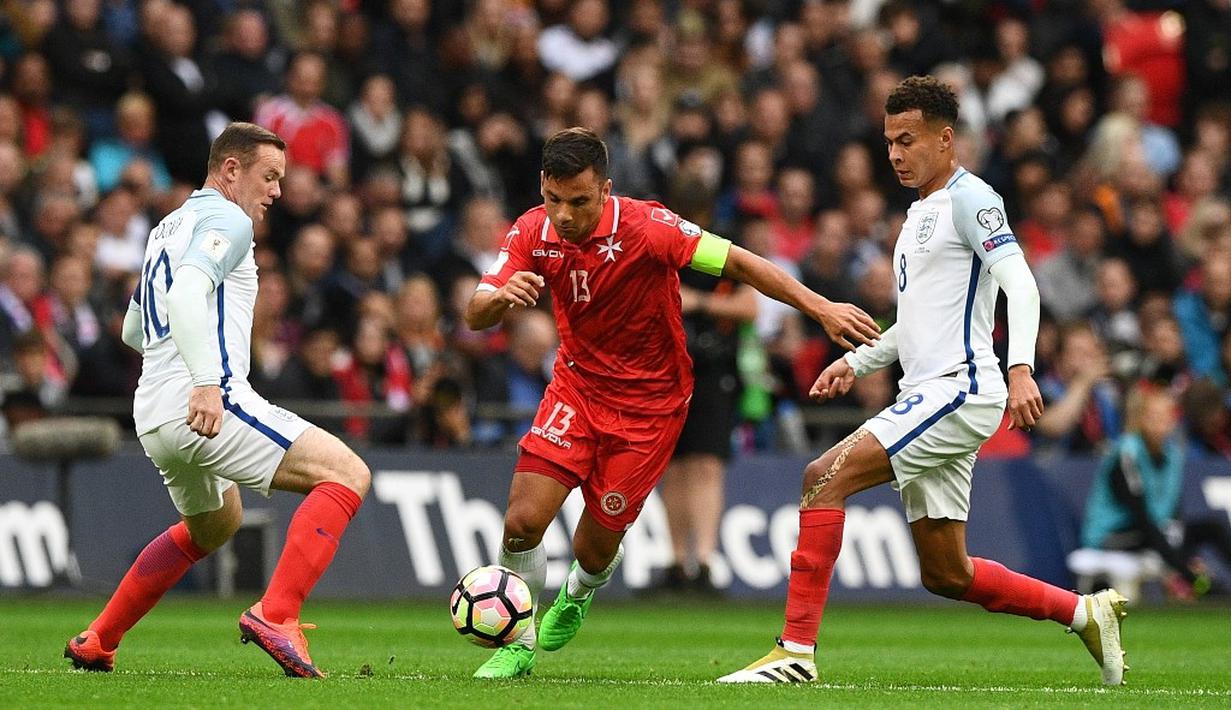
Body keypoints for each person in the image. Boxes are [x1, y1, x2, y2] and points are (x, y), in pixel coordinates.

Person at [718, 76, 1130, 687]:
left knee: (821, 477)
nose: (894, 154)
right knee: (946, 573)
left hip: (960, 388)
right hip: (929, 391)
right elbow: (914, 325)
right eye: (888, 142)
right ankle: (1083, 612)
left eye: (906, 140)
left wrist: (1020, 367)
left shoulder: (973, 200)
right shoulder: (917, 217)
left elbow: (1021, 284)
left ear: (945, 138)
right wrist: (854, 363)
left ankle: (794, 653)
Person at [465, 127, 879, 679]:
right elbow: (475, 310)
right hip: (577, 388)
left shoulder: (650, 226)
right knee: (521, 522)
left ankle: (582, 589)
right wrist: (499, 301)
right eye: (554, 200)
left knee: (594, 546)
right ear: (543, 187)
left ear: (605, 189)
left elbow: (739, 263)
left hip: (651, 406)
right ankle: (518, 641)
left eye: (580, 201)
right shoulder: (531, 232)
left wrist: (820, 307)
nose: (564, 215)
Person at [64, 123, 370, 679]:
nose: (276, 191)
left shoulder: (165, 228)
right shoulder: (227, 219)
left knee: (215, 525)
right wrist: (205, 379)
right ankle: (277, 615)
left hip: (154, 413)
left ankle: (98, 639)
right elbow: (184, 295)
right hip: (207, 400)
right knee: (346, 475)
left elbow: (135, 330)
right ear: (231, 169)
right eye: (269, 176)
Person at [1083, 385, 1231, 599]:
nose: (1162, 422)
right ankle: (1202, 586)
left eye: (1167, 416)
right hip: (1114, 535)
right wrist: (1185, 569)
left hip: (1156, 530)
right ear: (1141, 419)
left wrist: (1185, 552)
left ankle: (1203, 583)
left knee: (1211, 528)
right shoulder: (1127, 454)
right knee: (1159, 535)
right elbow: (1141, 518)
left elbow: (1173, 512)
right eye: (1154, 416)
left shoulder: (1173, 455)